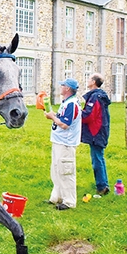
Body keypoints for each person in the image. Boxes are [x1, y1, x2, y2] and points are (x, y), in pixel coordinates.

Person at [44, 78, 82, 211]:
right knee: (56, 170)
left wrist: (52, 117)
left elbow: (65, 124)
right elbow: (62, 117)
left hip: (66, 143)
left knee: (66, 172)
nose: (60, 87)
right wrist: (53, 114)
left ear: (67, 89)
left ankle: (69, 201)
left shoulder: (71, 104)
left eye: (63, 85)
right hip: (59, 141)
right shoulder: (67, 102)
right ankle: (57, 196)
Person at [81, 73, 112, 195]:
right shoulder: (98, 96)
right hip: (100, 130)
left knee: (97, 159)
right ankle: (103, 184)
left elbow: (89, 115)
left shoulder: (95, 97)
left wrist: (78, 112)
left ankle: (102, 186)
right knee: (99, 157)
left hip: (96, 132)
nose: (87, 80)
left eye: (89, 78)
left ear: (94, 82)